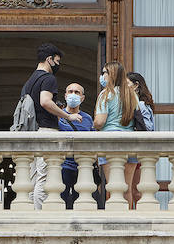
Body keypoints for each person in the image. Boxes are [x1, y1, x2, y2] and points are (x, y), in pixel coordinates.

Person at [21, 43, 82, 209]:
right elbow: (46, 102)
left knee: (33, 178)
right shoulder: (48, 78)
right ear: (49, 59)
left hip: (32, 132)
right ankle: (41, 217)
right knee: (44, 178)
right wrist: (68, 116)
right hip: (46, 130)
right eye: (57, 61)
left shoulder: (30, 80)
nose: (58, 65)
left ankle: (32, 215)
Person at [93, 61, 139, 205]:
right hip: (130, 143)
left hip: (109, 143)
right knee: (127, 188)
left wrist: (93, 124)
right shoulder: (132, 95)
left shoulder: (106, 94)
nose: (102, 76)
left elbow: (100, 122)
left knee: (113, 188)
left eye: (104, 73)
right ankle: (129, 220)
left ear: (111, 75)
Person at [57, 80, 94, 208]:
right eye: (70, 92)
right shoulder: (59, 116)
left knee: (83, 203)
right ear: (65, 96)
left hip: (82, 166)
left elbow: (93, 140)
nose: (73, 94)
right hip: (63, 166)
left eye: (77, 92)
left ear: (82, 98)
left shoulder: (88, 118)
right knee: (61, 202)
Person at [126, 71, 156, 204]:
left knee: (135, 190)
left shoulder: (141, 105)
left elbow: (148, 128)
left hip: (137, 153)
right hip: (137, 152)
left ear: (136, 85)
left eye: (127, 84)